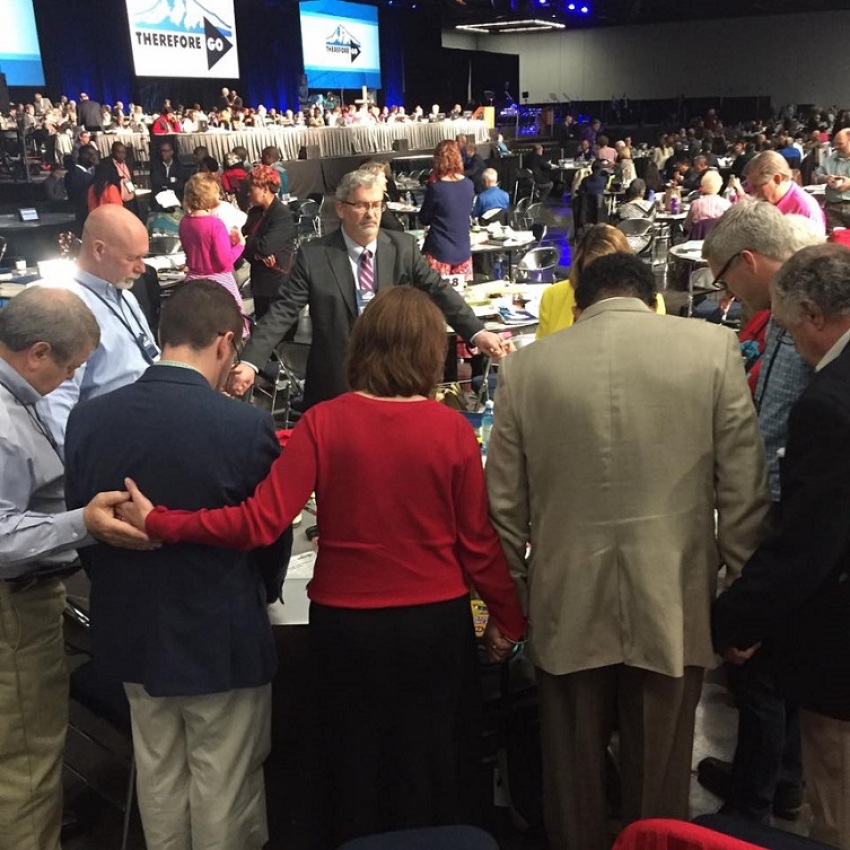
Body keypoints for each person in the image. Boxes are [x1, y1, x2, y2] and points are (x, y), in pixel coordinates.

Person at [118, 286, 527, 847]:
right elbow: (478, 544)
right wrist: (508, 617)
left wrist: (164, 521)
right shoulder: (452, 430)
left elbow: (258, 522)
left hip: (346, 625)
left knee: (352, 762)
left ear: (363, 347)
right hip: (434, 624)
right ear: (431, 352)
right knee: (429, 761)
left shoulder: (323, 423)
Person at [488, 252, 770, 850]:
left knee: (572, 781)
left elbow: (505, 510)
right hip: (673, 597)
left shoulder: (526, 370)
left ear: (580, 303)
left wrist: (512, 606)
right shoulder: (712, 351)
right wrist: (740, 600)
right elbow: (744, 491)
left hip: (565, 600)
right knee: (661, 783)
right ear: (649, 298)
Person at [64, 281, 291, 850]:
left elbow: (87, 527)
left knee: (159, 772)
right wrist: (260, 595)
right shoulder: (244, 426)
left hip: (131, 626)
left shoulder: (89, 420)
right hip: (221, 632)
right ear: (224, 343)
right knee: (224, 780)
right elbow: (270, 537)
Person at [0, 287, 154, 850]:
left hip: (29, 601)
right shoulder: (3, 422)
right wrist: (81, 523)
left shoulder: (17, 398)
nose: (71, 382)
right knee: (27, 766)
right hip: (13, 611)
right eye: (70, 367)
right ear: (38, 352)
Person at [712, 243, 850, 850]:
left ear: (816, 315)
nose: (794, 345)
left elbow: (807, 545)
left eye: (793, 331)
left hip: (839, 647)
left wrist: (732, 619)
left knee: (837, 804)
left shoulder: (826, 404)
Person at [697, 204, 824, 822]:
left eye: (723, 278)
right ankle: (780, 777)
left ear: (747, 262)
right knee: (780, 661)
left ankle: (750, 806)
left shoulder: (806, 305)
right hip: (779, 498)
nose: (724, 292)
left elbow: (788, 428)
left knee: (760, 669)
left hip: (785, 507)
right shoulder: (776, 312)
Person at [227, 169, 506, 405]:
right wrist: (251, 361)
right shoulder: (315, 255)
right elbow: (283, 311)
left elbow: (439, 291)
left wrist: (477, 333)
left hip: (396, 378)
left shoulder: (403, 248)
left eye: (376, 205)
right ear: (341, 209)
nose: (371, 214)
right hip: (336, 383)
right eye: (361, 205)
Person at [37, 205, 158, 447]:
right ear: (99, 250)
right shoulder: (64, 304)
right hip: (113, 443)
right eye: (132, 258)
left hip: (149, 429)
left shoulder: (124, 293)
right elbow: (56, 405)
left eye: (143, 257)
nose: (142, 268)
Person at [179, 173, 247, 316]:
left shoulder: (184, 222)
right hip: (218, 283)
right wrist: (240, 245)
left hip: (193, 282)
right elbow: (224, 262)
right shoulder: (215, 224)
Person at [240, 165, 297, 319]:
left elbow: (265, 247)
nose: (248, 193)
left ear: (265, 188)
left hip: (278, 285)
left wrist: (246, 241)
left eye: (252, 189)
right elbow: (242, 247)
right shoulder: (254, 213)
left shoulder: (281, 215)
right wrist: (255, 252)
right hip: (259, 282)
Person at [419, 140, 475, 280]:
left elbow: (424, 219)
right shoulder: (469, 185)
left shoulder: (437, 188)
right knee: (461, 297)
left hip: (439, 252)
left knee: (435, 299)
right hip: (463, 252)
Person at [737, 151, 826, 233]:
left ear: (777, 179)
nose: (753, 193)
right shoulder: (767, 201)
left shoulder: (804, 208)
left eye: (756, 187)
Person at [814, 127, 850, 230]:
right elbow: (815, 176)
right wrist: (826, 178)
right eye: (835, 143)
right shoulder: (831, 158)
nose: (836, 147)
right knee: (836, 243)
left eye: (840, 144)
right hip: (833, 208)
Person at [683, 170, 731, 236]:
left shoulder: (695, 204)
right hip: (718, 241)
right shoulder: (726, 204)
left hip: (697, 241)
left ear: (702, 185)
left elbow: (687, 226)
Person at [149, 140, 188, 206]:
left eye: (165, 151)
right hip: (158, 201)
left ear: (171, 152)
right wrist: (171, 181)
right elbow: (156, 182)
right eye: (161, 151)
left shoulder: (179, 167)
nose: (163, 153)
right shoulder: (156, 166)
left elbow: (180, 185)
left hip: (175, 201)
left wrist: (164, 184)